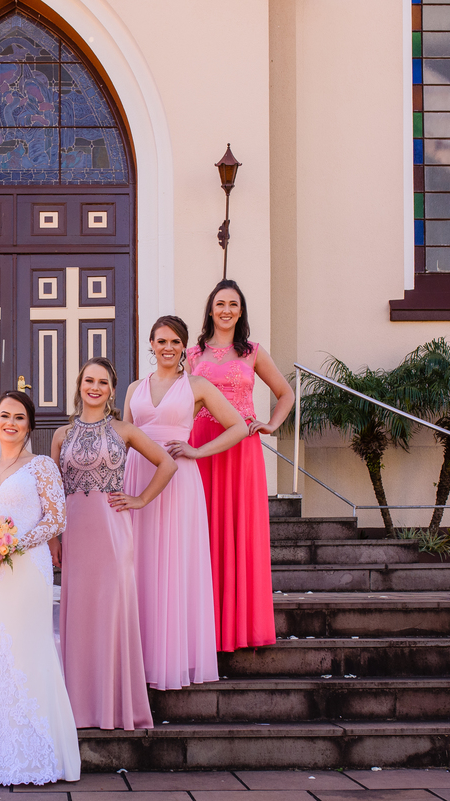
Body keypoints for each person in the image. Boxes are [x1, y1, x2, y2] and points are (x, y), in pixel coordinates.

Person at [0, 391, 80, 786]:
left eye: (19, 417)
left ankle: (39, 751)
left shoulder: (41, 467)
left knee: (29, 646)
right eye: (4, 415)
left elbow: (57, 518)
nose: (11, 423)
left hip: (29, 570)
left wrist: (12, 543)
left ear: (29, 425)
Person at [51, 357, 176, 731]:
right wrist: (55, 537)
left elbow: (166, 464)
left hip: (112, 531)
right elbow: (55, 492)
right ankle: (79, 707)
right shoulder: (61, 434)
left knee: (112, 612)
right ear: (79, 385)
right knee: (80, 614)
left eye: (102, 382)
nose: (94, 387)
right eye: (88, 380)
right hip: (75, 531)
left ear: (111, 390)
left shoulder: (124, 430)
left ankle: (114, 707)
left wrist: (138, 499)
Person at [123, 315, 248, 689]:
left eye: (174, 342)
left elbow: (239, 426)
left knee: (173, 564)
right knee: (138, 561)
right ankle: (138, 657)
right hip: (138, 475)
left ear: (183, 347)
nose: (167, 348)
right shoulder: (134, 388)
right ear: (151, 345)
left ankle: (172, 659)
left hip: (178, 480)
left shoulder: (197, 386)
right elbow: (124, 436)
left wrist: (197, 450)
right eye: (160, 341)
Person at [187, 280, 293, 652]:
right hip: (201, 448)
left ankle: (239, 628)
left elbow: (286, 393)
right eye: (220, 303)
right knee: (204, 532)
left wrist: (271, 424)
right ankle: (205, 626)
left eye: (234, 303)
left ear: (241, 310)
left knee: (240, 534)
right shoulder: (192, 354)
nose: (227, 310)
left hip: (242, 452)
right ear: (211, 310)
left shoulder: (252, 352)